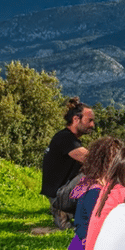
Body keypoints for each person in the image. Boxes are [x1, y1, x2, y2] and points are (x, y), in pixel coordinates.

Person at [68, 136, 122, 250]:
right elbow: (99, 227)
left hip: (78, 245)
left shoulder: (88, 180)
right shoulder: (96, 192)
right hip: (88, 247)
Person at [41, 97, 95, 229]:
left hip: (61, 194)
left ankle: (72, 214)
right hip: (60, 197)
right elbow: (94, 161)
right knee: (95, 173)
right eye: (90, 120)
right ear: (76, 119)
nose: (92, 125)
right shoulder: (66, 139)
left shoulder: (67, 138)